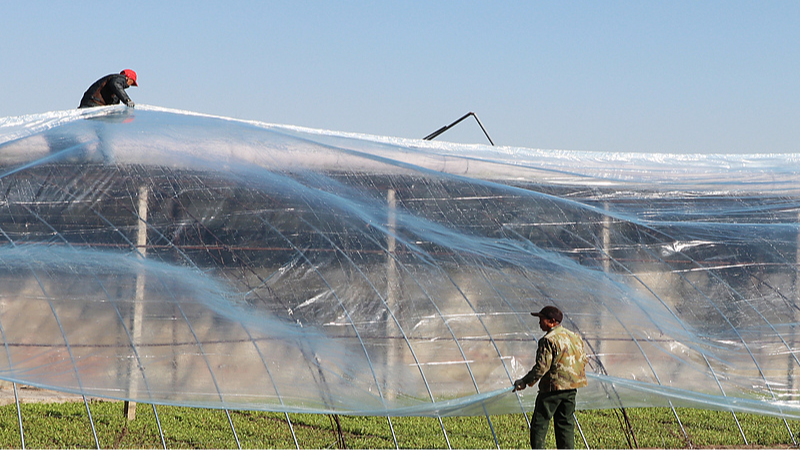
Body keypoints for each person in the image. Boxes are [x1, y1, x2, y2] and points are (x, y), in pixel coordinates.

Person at [513, 306, 588, 450]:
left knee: (539, 424)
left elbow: (542, 367)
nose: (539, 322)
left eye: (542, 319)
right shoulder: (575, 337)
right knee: (565, 423)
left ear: (552, 321)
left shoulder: (548, 340)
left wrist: (524, 381)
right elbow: (583, 359)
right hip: (571, 388)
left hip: (552, 389)